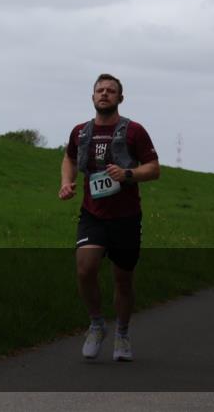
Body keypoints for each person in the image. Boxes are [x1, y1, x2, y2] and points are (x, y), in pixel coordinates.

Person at [58, 74, 160, 362]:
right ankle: (96, 324)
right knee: (85, 269)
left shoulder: (134, 131)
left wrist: (128, 174)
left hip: (126, 217)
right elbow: (69, 158)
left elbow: (154, 168)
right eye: (100, 90)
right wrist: (66, 182)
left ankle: (122, 334)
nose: (104, 94)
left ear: (120, 98)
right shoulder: (80, 132)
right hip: (93, 214)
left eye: (110, 91)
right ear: (92, 97)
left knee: (123, 280)